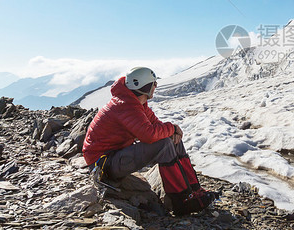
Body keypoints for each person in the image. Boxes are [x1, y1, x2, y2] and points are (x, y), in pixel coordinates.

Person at [82, 67, 216, 215]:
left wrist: (173, 130)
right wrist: (172, 128)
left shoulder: (135, 102)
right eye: (154, 83)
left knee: (171, 139)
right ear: (145, 87)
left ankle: (194, 190)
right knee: (164, 144)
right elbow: (149, 135)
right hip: (103, 165)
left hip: (112, 157)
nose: (156, 86)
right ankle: (182, 201)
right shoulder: (125, 106)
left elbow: (156, 125)